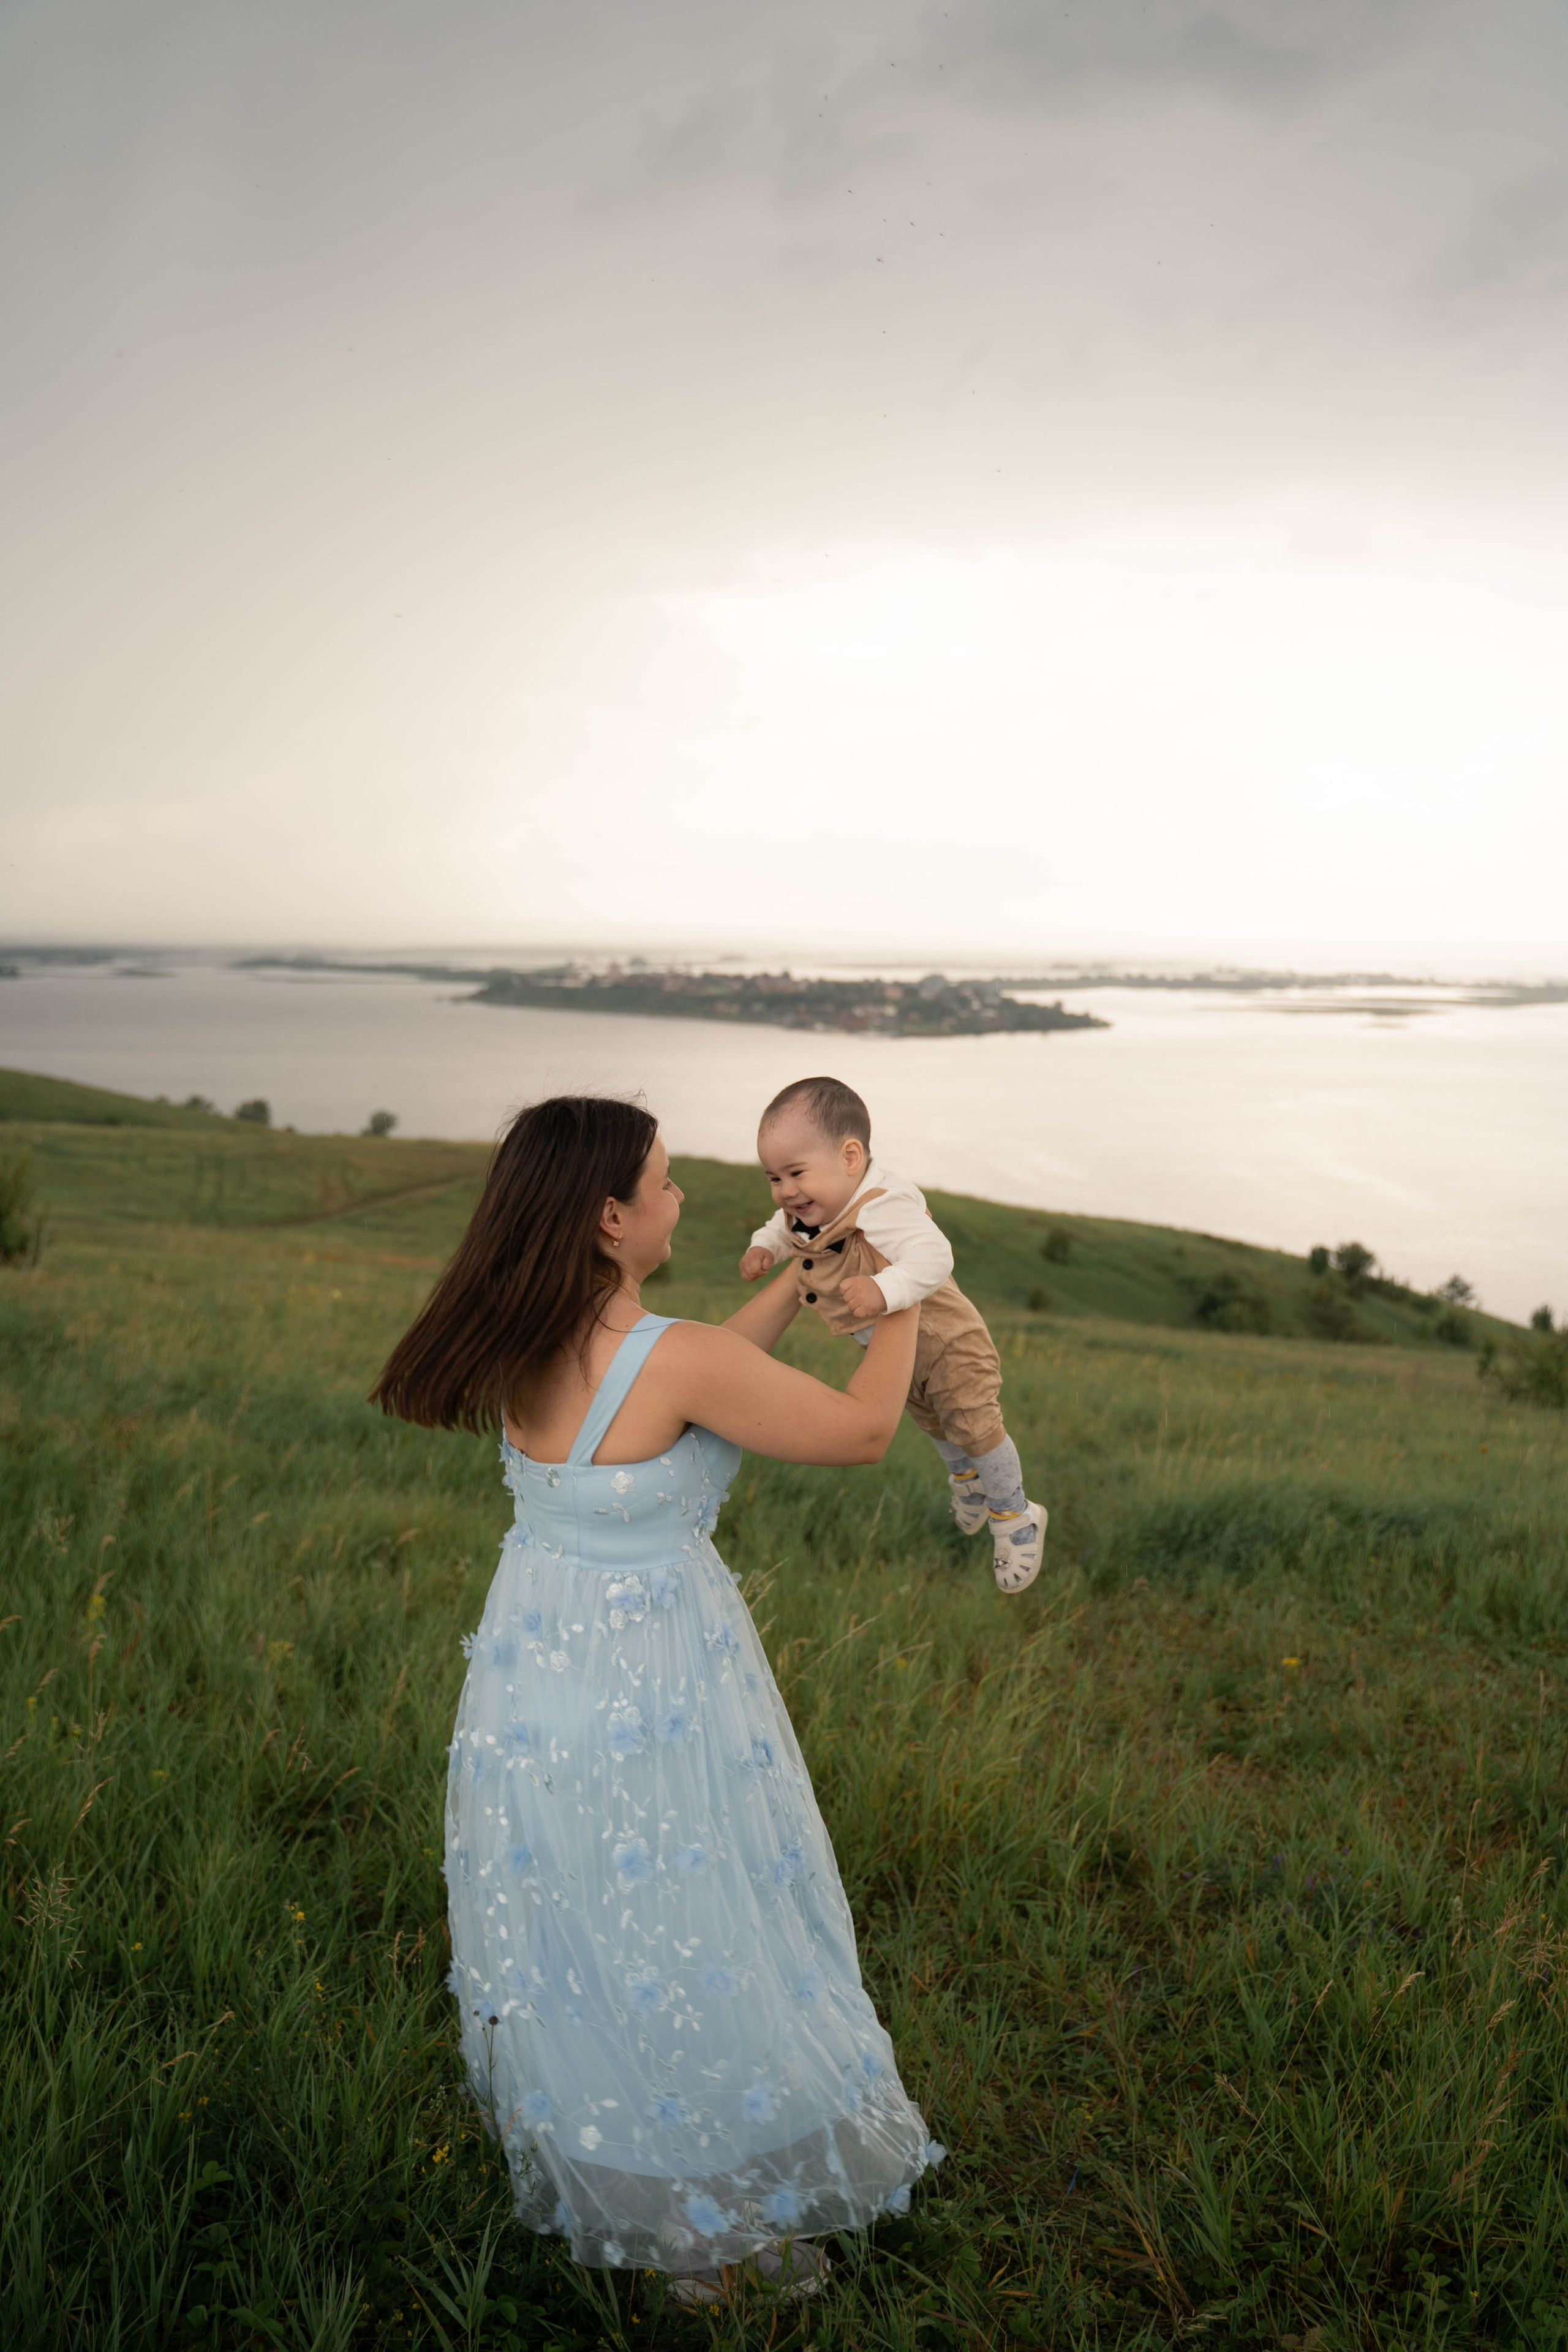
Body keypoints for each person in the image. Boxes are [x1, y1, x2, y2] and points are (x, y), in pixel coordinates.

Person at [371, 1095, 943, 2301]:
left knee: (595, 1939)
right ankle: (714, 2224)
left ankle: (653, 2193)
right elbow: (856, 1433)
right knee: (698, 1933)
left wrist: (794, 1277)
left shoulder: (538, 1339)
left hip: (536, 1686)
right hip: (655, 1697)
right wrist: (906, 1293)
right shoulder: (672, 1361)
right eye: (667, 1182)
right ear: (609, 1217)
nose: (683, 1199)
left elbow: (693, 1366)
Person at [739, 1075, 1047, 1595]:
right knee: (932, 1422)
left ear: (851, 1157)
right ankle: (968, 1484)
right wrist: (765, 1247)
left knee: (974, 1425)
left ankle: (1015, 1515)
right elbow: (785, 1226)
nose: (786, 1191)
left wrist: (886, 1290)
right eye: (774, 1178)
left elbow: (934, 1256)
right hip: (899, 1354)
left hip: (948, 1342)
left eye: (795, 1173)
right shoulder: (816, 1205)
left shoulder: (886, 1205)